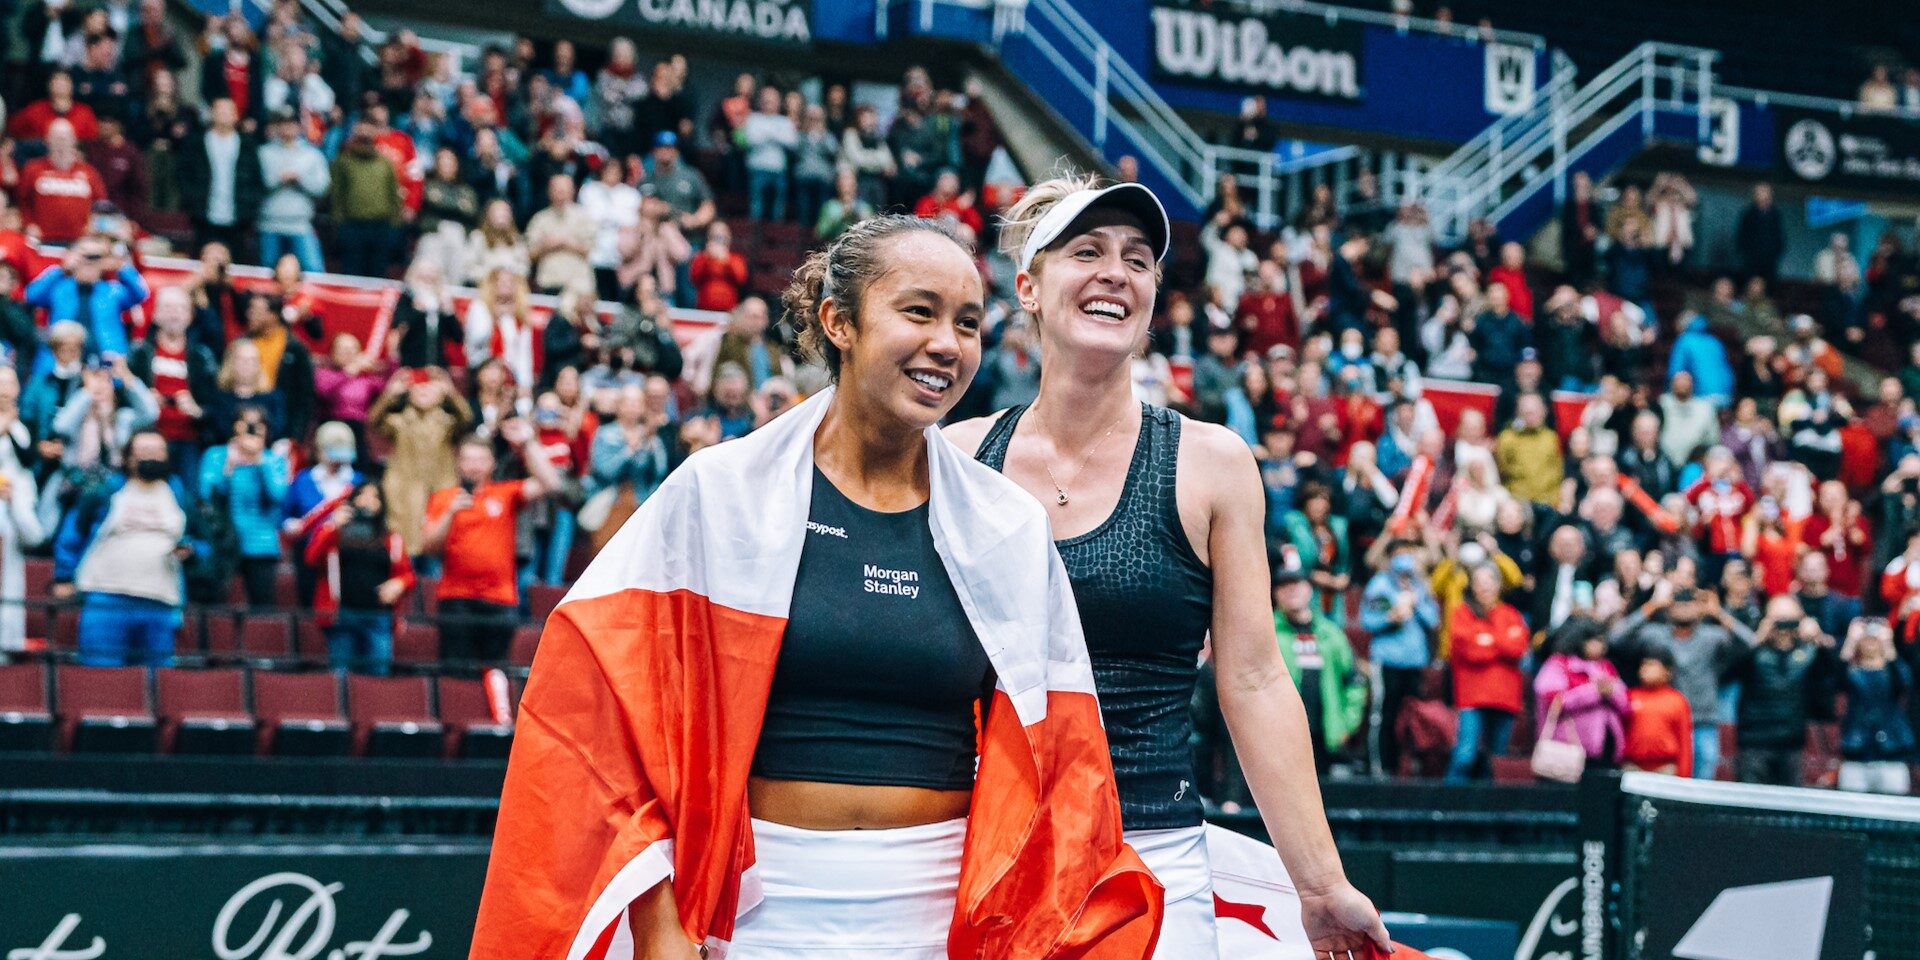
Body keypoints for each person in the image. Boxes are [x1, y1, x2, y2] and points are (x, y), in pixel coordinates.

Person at [471, 214, 1160, 958]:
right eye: (918, 311)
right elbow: (611, 725)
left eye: (967, 324)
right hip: (759, 914)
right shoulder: (719, 492)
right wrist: (663, 928)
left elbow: (1064, 767)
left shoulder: (1006, 526)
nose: (948, 345)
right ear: (839, 322)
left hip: (939, 920)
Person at [946, 175, 1389, 958]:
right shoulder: (953, 459)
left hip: (1150, 855)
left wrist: (1318, 885)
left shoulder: (1211, 465)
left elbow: (1252, 680)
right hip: (976, 852)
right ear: (1029, 289)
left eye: (1139, 259)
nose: (1117, 271)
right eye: (1086, 251)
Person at [53, 429, 205, 667]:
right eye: (144, 452)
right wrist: (63, 574)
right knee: (103, 681)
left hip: (161, 602)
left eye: (158, 452)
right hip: (106, 600)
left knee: (157, 684)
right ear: (128, 458)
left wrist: (192, 551)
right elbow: (73, 533)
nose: (152, 457)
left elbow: (204, 539)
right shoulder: (106, 490)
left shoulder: (179, 494)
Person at [421, 423, 564, 669]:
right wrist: (450, 514)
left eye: (480, 459)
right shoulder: (443, 498)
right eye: (468, 459)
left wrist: (527, 443)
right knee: (457, 680)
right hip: (456, 599)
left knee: (497, 676)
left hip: (499, 600)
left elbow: (551, 484)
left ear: (492, 464)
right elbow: (429, 548)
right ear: (458, 462)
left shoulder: (505, 493)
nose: (474, 466)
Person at [1610, 585, 1757, 780]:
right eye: (1678, 602)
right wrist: (1653, 605)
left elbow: (1751, 642)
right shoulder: (1656, 635)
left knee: (1702, 787)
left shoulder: (1712, 636)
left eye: (1690, 602)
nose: (1684, 606)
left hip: (1703, 721)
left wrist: (1718, 612)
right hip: (1666, 725)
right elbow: (1615, 638)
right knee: (1670, 786)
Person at [305, 479, 413, 675]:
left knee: (378, 676)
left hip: (378, 616)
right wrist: (334, 528)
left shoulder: (391, 538)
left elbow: (408, 575)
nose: (367, 501)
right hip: (342, 615)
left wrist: (399, 583)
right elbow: (312, 558)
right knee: (341, 678)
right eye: (362, 495)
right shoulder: (333, 532)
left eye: (374, 497)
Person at [1273, 554, 1367, 774]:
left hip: (1325, 737)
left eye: (1296, 583)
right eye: (1284, 585)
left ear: (1309, 588)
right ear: (1276, 593)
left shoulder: (1331, 634)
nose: (1291, 590)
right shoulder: (1268, 633)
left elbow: (1355, 681)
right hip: (1281, 738)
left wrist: (1346, 724)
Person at [1730, 596, 1838, 786]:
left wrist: (1819, 641)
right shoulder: (1754, 650)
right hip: (1754, 741)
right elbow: (1727, 674)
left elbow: (1832, 681)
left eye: (1790, 620)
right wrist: (1756, 640)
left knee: (1790, 806)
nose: (1784, 628)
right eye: (1779, 620)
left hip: (1792, 743)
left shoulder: (1809, 652)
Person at [1360, 537, 1440, 776]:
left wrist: (1416, 604)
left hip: (1414, 661)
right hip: (1388, 660)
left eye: (1411, 554)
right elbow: (1368, 620)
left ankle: (1410, 766)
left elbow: (1433, 620)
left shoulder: (1420, 586)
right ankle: (1382, 766)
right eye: (1401, 554)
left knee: (1414, 716)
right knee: (1385, 714)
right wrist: (1390, 618)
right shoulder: (1380, 586)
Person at [198, 404, 290, 607]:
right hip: (222, 541)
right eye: (246, 423)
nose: (251, 429)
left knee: (263, 610)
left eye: (258, 425)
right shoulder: (217, 455)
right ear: (234, 426)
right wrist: (229, 467)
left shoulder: (273, 460)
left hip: (261, 543)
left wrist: (259, 461)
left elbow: (278, 496)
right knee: (215, 605)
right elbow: (206, 495)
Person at [1446, 562, 1529, 781]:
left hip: (1505, 698)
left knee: (1496, 763)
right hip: (1472, 697)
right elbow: (1469, 651)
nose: (1484, 588)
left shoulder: (1511, 614)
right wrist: (1501, 642)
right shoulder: (1462, 613)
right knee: (1465, 755)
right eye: (1479, 583)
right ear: (1472, 586)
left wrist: (1487, 639)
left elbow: (1518, 648)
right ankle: (1449, 809)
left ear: (1498, 585)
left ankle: (1488, 811)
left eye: (1489, 582)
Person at [1533, 619, 1629, 766]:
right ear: (1579, 640)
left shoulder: (1606, 667)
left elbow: (1625, 705)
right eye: (1595, 641)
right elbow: (1553, 701)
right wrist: (1595, 692)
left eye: (1602, 641)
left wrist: (1611, 693)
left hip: (1605, 747)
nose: (1601, 646)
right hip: (1568, 749)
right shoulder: (1559, 664)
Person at [178, 97, 262, 256]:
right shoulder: (196, 143)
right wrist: (192, 201)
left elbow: (256, 180)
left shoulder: (248, 145)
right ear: (211, 114)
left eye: (228, 111)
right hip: (204, 218)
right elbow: (184, 175)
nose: (223, 115)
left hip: (238, 220)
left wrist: (248, 207)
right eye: (219, 110)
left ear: (236, 116)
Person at [256, 105, 330, 272]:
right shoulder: (263, 153)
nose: (286, 128)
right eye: (282, 124)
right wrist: (279, 180)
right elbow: (257, 185)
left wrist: (300, 180)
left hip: (301, 224)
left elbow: (323, 187)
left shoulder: (313, 155)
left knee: (314, 272)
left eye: (291, 124)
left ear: (299, 126)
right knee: (267, 273)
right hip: (269, 223)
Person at [1623, 648, 1693, 776]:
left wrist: (1683, 776)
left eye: (1651, 665)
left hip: (1665, 768)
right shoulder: (1629, 696)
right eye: (1643, 665)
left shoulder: (1677, 700)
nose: (1645, 669)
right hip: (1632, 766)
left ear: (1667, 672)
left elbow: (1684, 742)